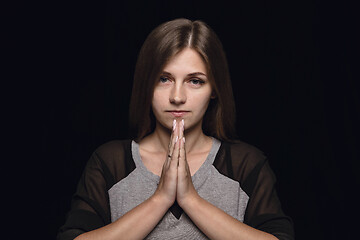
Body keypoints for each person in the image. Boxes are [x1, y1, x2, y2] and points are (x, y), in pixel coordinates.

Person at [57, 18, 294, 240]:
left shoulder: (245, 164)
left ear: (214, 89)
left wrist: (190, 199)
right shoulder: (110, 161)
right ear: (146, 84)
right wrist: (160, 198)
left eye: (195, 81)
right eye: (164, 79)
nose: (177, 96)